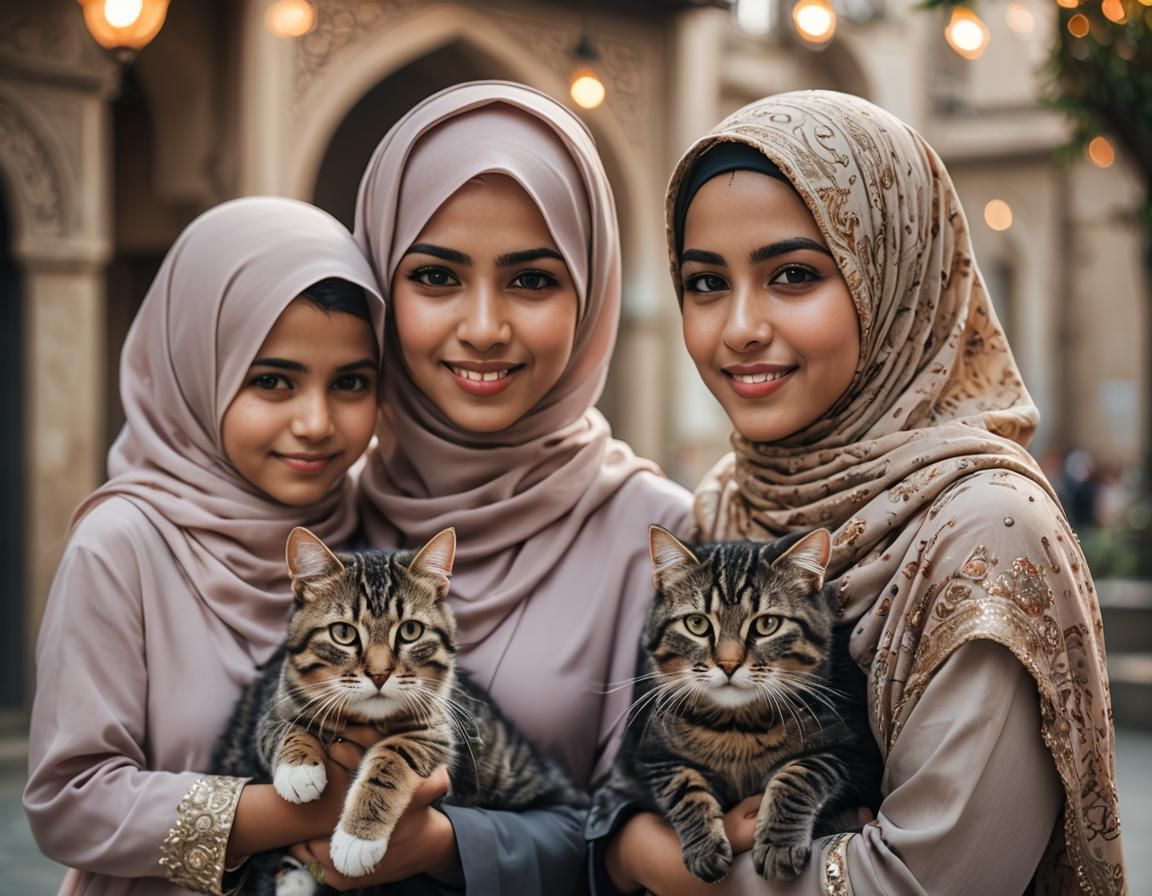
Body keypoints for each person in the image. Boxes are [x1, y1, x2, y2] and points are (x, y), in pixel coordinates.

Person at [596, 91, 1127, 894]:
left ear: (895, 282)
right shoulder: (726, 499)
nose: (738, 325)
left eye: (795, 274)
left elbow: (922, 882)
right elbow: (635, 771)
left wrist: (653, 865)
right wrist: (633, 839)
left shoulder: (987, 528)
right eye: (705, 283)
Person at [288, 81, 693, 894]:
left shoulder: (655, 536)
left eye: (532, 280)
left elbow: (650, 833)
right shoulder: (326, 510)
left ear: (592, 294)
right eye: (436, 276)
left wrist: (449, 845)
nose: (482, 326)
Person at [20, 196, 442, 895]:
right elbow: (70, 803)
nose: (316, 422)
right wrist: (302, 808)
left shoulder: (379, 528)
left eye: (351, 383)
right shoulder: (123, 546)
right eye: (272, 380)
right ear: (197, 367)